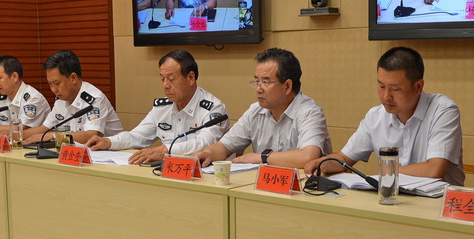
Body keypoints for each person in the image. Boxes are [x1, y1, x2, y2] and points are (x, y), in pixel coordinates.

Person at [304, 46, 464, 185]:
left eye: (395, 89)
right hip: (392, 199)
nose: (386, 96)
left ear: (418, 86)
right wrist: (322, 163)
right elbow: (344, 158)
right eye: (381, 86)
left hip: (437, 203)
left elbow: (434, 169)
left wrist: (383, 174)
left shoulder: (443, 111)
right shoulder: (375, 116)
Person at [192, 48, 331, 168]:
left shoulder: (309, 112)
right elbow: (224, 146)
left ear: (287, 86)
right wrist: (208, 153)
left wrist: (262, 158)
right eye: (257, 81)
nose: (258, 89)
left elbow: (308, 156)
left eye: (265, 82)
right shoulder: (255, 111)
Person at [86, 50, 229, 163]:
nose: (165, 85)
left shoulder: (214, 109)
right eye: (162, 79)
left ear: (190, 78)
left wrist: (164, 150)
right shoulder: (162, 107)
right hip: (169, 171)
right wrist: (109, 142)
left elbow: (204, 143)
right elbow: (137, 136)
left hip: (205, 175)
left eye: (171, 79)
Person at [23, 50, 123, 145]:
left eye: (57, 83)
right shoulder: (60, 100)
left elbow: (91, 135)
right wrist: (17, 136)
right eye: (50, 84)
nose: (53, 89)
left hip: (110, 153)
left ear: (73, 78)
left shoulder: (95, 99)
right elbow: (44, 129)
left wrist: (54, 136)